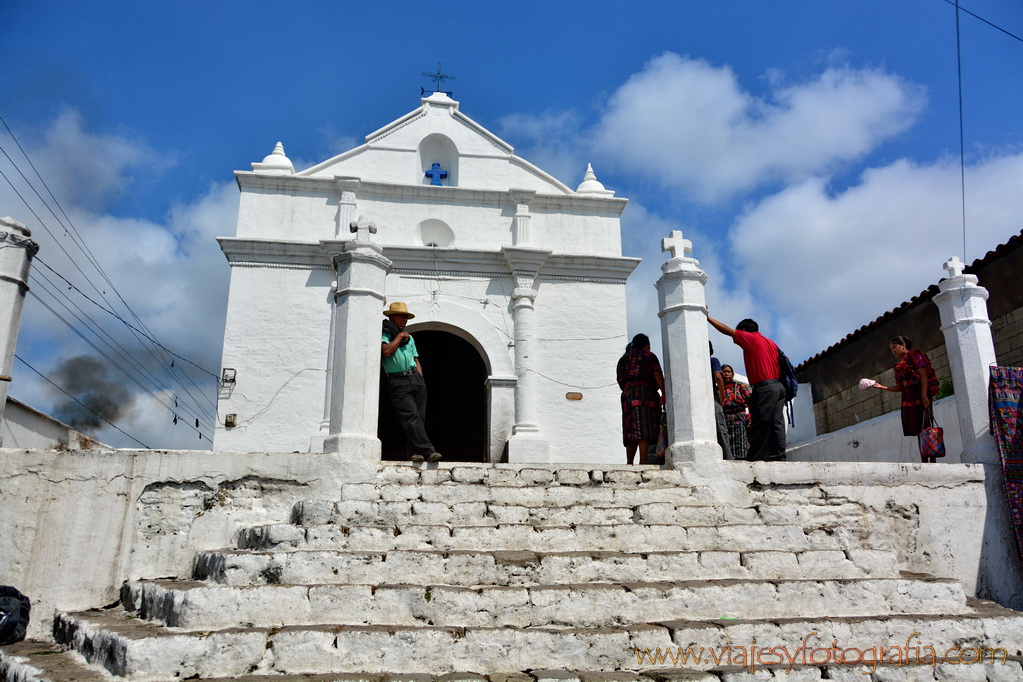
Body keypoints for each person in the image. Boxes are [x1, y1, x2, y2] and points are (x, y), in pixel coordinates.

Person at [707, 316, 786, 461]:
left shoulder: (751, 339)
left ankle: (755, 459)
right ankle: (779, 457)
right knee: (777, 423)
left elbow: (726, 330)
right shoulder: (771, 343)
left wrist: (707, 317)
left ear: (744, 331)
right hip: (779, 387)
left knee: (760, 422)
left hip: (765, 387)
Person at [381, 302, 441, 463]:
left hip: (415, 378)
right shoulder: (386, 333)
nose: (405, 320)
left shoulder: (410, 337)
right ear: (392, 317)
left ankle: (415, 453)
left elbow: (415, 359)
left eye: (406, 317)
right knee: (411, 417)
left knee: (418, 419)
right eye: (401, 316)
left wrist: (420, 378)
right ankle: (428, 451)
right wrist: (399, 336)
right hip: (398, 380)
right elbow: (386, 351)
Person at [871, 336, 940, 463]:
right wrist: (882, 387)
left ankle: (933, 460)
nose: (893, 351)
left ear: (903, 345)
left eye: (895, 347)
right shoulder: (899, 367)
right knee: (918, 430)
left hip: (921, 395)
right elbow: (900, 387)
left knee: (926, 427)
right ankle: (924, 461)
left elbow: (923, 375)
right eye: (891, 349)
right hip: (909, 398)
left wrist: (924, 395)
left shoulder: (916, 356)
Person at [616, 333, 665, 465]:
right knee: (644, 428)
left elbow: (620, 380)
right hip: (646, 394)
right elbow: (657, 373)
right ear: (646, 345)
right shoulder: (649, 356)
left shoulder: (623, 359)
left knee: (630, 429)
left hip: (627, 396)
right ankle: (643, 462)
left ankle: (629, 462)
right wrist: (664, 392)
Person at [721, 364, 751, 459]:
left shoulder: (739, 386)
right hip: (725, 418)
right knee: (726, 441)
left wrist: (750, 417)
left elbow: (750, 401)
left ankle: (741, 460)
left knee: (740, 442)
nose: (726, 374)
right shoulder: (719, 390)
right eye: (723, 372)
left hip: (739, 417)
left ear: (732, 375)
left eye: (728, 372)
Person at [710, 342, 733, 460]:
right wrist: (722, 395)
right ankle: (728, 458)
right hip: (711, 397)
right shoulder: (713, 360)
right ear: (711, 351)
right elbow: (718, 377)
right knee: (720, 428)